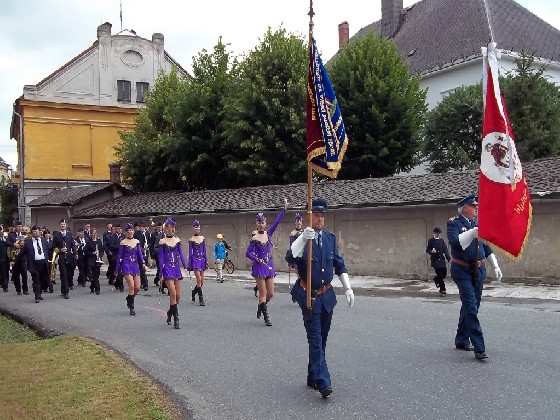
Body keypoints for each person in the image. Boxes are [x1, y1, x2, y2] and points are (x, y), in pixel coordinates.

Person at [288, 198, 355, 399]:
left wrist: (348, 288)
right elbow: (290, 258)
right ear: (310, 217)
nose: (320, 218)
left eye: (322, 215)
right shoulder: (301, 239)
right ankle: (323, 381)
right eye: (316, 215)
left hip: (327, 297)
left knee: (322, 340)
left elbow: (339, 264)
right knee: (315, 339)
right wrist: (301, 239)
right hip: (309, 296)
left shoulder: (329, 238)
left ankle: (312, 374)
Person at [447, 193, 503, 360]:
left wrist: (495, 265)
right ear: (465, 208)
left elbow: (486, 248)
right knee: (471, 306)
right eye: (474, 206)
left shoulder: (477, 224)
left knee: (472, 306)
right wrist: (472, 233)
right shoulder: (454, 223)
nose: (477, 208)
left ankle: (461, 339)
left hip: (478, 270)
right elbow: (455, 242)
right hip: (462, 270)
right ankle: (479, 347)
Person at [245, 198, 288, 326]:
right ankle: (266, 316)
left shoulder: (269, 234)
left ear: (265, 223)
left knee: (271, 294)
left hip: (269, 265)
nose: (261, 224)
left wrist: (284, 209)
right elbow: (248, 253)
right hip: (259, 267)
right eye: (259, 222)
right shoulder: (254, 238)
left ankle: (261, 306)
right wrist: (256, 258)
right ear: (256, 224)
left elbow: (277, 222)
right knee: (263, 293)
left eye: (263, 222)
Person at [158, 217, 188, 329]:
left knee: (178, 296)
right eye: (171, 227)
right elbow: (161, 258)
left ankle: (170, 312)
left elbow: (181, 254)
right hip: (167, 269)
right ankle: (176, 318)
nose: (173, 229)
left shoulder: (177, 240)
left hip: (176, 268)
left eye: (174, 227)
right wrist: (160, 274)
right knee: (173, 294)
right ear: (166, 228)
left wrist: (186, 267)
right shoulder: (162, 241)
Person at [115, 223, 145, 315]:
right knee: (131, 286)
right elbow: (119, 256)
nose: (131, 232)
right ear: (126, 232)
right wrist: (117, 269)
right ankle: (132, 307)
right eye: (129, 230)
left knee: (137, 288)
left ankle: (129, 297)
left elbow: (139, 254)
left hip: (135, 265)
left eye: (132, 230)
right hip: (126, 264)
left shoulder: (136, 241)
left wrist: (143, 263)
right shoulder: (123, 242)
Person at [24, 225, 50, 303]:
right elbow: (22, 252)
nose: (35, 233)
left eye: (37, 231)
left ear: (40, 232)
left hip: (43, 263)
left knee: (42, 279)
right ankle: (37, 296)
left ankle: (40, 293)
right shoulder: (28, 242)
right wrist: (15, 261)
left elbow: (48, 250)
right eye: (33, 232)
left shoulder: (43, 241)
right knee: (36, 280)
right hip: (34, 264)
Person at [52, 219, 77, 298]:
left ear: (66, 226)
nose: (63, 225)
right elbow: (53, 247)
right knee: (63, 275)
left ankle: (63, 290)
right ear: (59, 226)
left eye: (64, 224)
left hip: (69, 257)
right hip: (61, 257)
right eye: (61, 224)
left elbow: (73, 245)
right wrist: (60, 250)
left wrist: (75, 254)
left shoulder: (69, 235)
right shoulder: (56, 235)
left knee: (69, 274)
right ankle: (66, 292)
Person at [426, 226, 451, 295]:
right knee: (439, 275)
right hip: (435, 260)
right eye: (436, 233)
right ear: (434, 233)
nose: (438, 234)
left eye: (439, 233)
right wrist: (431, 251)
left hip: (442, 260)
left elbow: (445, 250)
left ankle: (436, 279)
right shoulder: (431, 240)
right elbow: (427, 250)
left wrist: (449, 259)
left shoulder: (442, 240)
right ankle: (443, 289)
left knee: (444, 273)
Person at [188, 220, 208, 306]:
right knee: (198, 279)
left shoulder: (203, 238)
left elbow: (205, 250)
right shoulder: (191, 240)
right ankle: (201, 298)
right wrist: (189, 264)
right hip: (195, 260)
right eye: (196, 227)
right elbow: (190, 252)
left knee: (202, 281)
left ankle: (194, 292)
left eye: (198, 227)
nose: (197, 228)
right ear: (193, 228)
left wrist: (206, 261)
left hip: (202, 260)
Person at [7, 220, 28, 296]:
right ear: (15, 227)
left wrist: (24, 243)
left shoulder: (24, 235)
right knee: (16, 274)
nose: (19, 228)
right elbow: (7, 242)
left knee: (24, 273)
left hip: (22, 257)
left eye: (20, 226)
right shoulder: (11, 235)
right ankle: (18, 290)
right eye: (17, 226)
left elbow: (28, 244)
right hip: (14, 257)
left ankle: (25, 289)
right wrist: (14, 244)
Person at [85, 227, 104, 295]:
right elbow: (86, 251)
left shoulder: (99, 241)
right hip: (92, 260)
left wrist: (100, 256)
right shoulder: (88, 241)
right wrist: (92, 253)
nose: (94, 235)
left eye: (95, 233)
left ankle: (92, 286)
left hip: (98, 260)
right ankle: (97, 289)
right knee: (95, 274)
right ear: (90, 234)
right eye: (92, 233)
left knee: (97, 274)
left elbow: (102, 250)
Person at [0, 225, 10, 292]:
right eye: (1, 230)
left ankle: (5, 284)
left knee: (7, 271)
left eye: (2, 230)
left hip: (7, 257)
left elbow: (9, 244)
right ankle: (5, 286)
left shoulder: (6, 238)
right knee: (3, 272)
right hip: (1, 258)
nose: (2, 232)